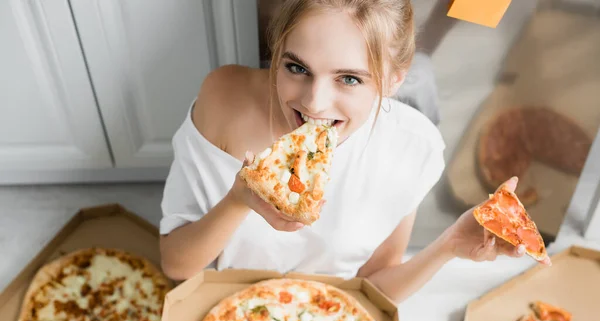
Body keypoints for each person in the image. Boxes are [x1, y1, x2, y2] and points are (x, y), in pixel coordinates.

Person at [158, 0, 551, 304]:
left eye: (348, 79)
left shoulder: (414, 148)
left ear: (395, 79)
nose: (314, 103)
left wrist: (447, 246)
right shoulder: (225, 97)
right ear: (277, 51)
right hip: (226, 311)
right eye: (297, 68)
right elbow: (177, 265)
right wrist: (237, 199)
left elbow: (373, 286)